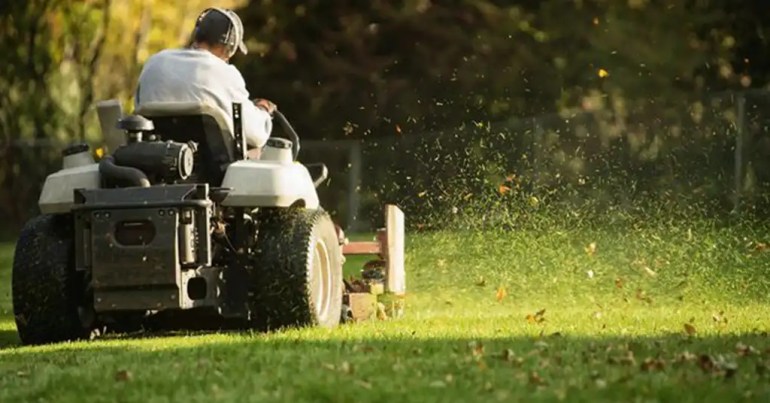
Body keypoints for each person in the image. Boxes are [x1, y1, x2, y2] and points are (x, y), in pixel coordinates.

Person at [133, 7, 275, 157]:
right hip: (212, 172)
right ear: (230, 48)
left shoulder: (154, 62)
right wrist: (264, 112)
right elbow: (257, 134)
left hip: (153, 163)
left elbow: (138, 109)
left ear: (197, 34)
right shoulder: (225, 74)